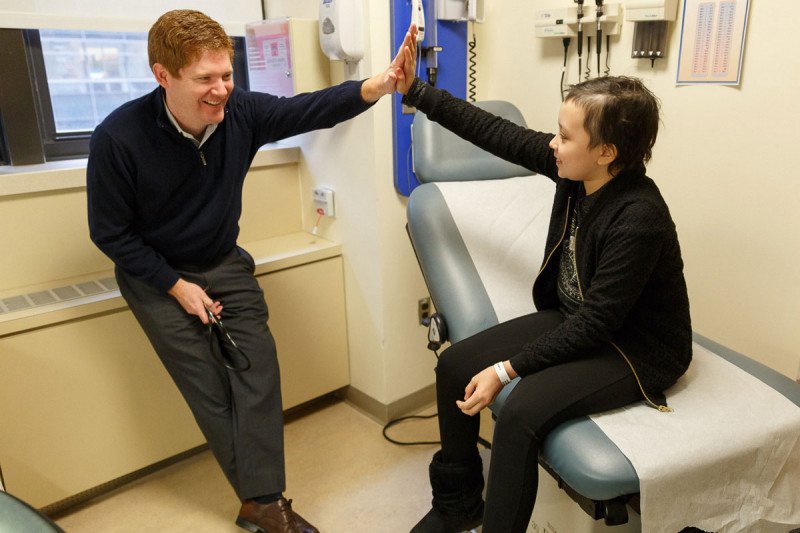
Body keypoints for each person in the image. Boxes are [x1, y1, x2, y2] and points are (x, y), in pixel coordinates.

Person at [87, 10, 416, 533]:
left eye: (227, 75)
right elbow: (111, 234)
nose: (221, 90)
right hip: (157, 275)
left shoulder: (238, 113)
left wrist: (377, 86)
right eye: (204, 80)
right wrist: (176, 287)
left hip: (221, 259)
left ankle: (260, 503)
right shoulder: (117, 139)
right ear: (162, 75)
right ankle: (267, 504)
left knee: (257, 373)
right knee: (210, 387)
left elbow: (306, 109)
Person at [398, 40, 692, 533]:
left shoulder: (638, 215)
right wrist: (417, 92)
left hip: (634, 347)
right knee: (452, 365)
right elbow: (496, 133)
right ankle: (458, 504)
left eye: (564, 136)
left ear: (606, 152)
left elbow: (602, 322)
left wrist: (505, 369)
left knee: (520, 415)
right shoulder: (576, 173)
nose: (552, 143)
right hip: (580, 319)